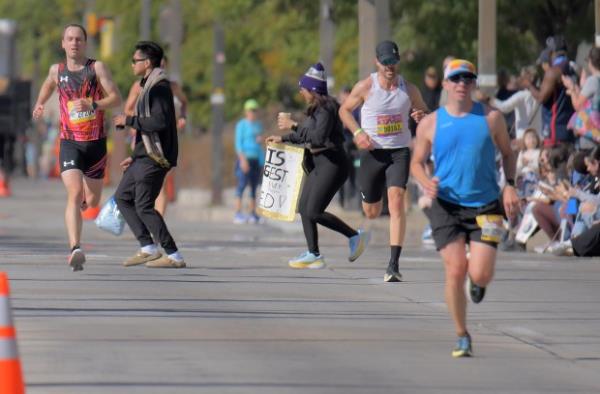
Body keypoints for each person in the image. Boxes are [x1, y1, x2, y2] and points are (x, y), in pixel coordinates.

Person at [410, 59, 519, 357]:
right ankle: (462, 334)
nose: (462, 83)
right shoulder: (431, 123)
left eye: (467, 79)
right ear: (445, 84)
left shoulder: (491, 118)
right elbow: (416, 163)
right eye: (455, 78)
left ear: (473, 84)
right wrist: (425, 182)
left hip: (486, 204)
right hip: (446, 205)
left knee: (481, 274)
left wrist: (509, 184)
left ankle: (478, 282)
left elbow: (508, 154)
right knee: (455, 269)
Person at [32, 24, 122, 271]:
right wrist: (40, 103)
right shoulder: (56, 70)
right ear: (63, 43)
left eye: (79, 39)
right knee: (73, 195)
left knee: (91, 202)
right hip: (69, 142)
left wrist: (93, 104)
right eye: (70, 39)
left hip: (95, 144)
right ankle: (75, 247)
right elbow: (48, 85)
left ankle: (85, 192)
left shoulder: (97, 68)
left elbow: (116, 98)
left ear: (85, 43)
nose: (74, 43)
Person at [339, 40, 429, 282]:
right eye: (386, 62)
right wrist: (358, 133)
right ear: (377, 62)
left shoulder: (409, 89)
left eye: (394, 62)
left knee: (397, 202)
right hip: (372, 153)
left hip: (399, 152)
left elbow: (425, 114)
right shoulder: (366, 86)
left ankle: (393, 265)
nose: (390, 67)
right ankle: (370, 204)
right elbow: (344, 111)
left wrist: (421, 116)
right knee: (371, 211)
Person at [266, 63, 370, 269]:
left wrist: (294, 125)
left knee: (314, 211)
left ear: (313, 90)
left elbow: (318, 137)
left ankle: (355, 236)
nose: (300, 92)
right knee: (304, 208)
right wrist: (283, 138)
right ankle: (313, 254)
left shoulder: (328, 108)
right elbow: (308, 134)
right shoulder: (316, 109)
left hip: (333, 163)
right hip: (319, 163)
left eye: (303, 89)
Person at [113, 41, 185, 269]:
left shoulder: (159, 88)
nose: (132, 64)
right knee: (123, 197)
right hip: (144, 156)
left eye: (135, 60)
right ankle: (148, 247)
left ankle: (173, 255)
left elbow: (160, 122)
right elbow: (148, 131)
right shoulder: (148, 86)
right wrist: (134, 156)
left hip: (156, 157)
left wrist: (129, 120)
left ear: (147, 63)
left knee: (143, 205)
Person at [123, 55, 188, 217]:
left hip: (166, 140)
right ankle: (142, 214)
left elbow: (184, 103)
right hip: (143, 138)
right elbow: (128, 109)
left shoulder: (173, 86)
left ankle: (156, 226)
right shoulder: (138, 86)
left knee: (162, 183)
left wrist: (182, 117)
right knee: (142, 180)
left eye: (163, 66)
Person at [525, 36, 575, 147]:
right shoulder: (573, 68)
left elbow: (541, 97)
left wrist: (528, 85)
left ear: (552, 52)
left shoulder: (553, 71)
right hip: (569, 130)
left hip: (554, 133)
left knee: (551, 163)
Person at [233, 98, 264, 224]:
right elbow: (238, 143)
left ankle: (253, 214)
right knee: (241, 185)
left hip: (256, 159)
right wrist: (242, 160)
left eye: (255, 110)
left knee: (254, 187)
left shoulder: (258, 125)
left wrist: (262, 162)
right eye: (251, 110)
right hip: (245, 158)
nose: (253, 112)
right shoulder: (241, 125)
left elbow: (260, 146)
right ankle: (237, 213)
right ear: (246, 111)